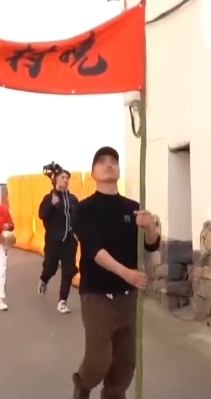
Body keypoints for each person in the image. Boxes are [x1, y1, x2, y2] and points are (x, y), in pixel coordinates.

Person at [70, 146, 160, 399]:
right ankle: (83, 384)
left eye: (113, 161)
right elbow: (94, 250)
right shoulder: (85, 209)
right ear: (93, 172)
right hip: (97, 295)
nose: (109, 165)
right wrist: (126, 273)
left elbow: (150, 245)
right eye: (102, 162)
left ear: (119, 170)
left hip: (128, 297)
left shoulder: (133, 208)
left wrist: (149, 227)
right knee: (98, 360)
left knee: (125, 363)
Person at [37, 169, 79, 314]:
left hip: (70, 241)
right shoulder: (49, 198)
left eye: (67, 178)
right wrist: (51, 205)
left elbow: (78, 217)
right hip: (53, 240)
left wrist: (77, 233)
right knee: (50, 267)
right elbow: (42, 214)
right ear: (55, 180)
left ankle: (62, 301)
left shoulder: (73, 199)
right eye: (62, 177)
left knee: (68, 270)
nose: (65, 180)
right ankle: (44, 280)